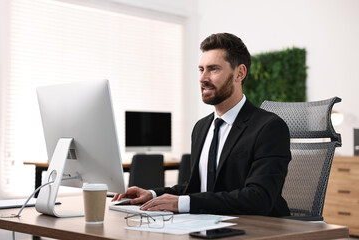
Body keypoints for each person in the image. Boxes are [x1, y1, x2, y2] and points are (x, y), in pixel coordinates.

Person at [112, 33, 291, 217]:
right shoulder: (201, 128)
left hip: (258, 229)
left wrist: (182, 203)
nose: (203, 78)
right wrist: (153, 194)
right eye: (201, 69)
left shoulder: (269, 128)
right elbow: (197, 187)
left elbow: (259, 198)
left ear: (240, 73)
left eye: (213, 69)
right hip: (210, 225)